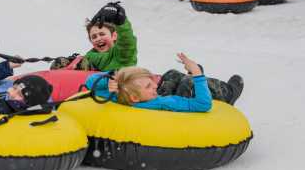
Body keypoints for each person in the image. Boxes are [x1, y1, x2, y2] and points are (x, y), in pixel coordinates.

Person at [86, 52, 244, 112]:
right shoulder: (165, 103)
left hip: (147, 98)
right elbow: (203, 104)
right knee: (188, 83)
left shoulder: (116, 95)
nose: (154, 84)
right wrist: (197, 73)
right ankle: (228, 93)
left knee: (171, 75)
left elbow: (90, 82)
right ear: (134, 97)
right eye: (149, 85)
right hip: (168, 100)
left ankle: (184, 76)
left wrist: (109, 79)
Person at [50, 2, 138, 72]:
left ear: (114, 36)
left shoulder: (122, 56)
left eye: (102, 34)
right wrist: (72, 63)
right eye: (94, 37)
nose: (98, 38)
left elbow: (127, 43)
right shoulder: (89, 58)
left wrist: (121, 21)